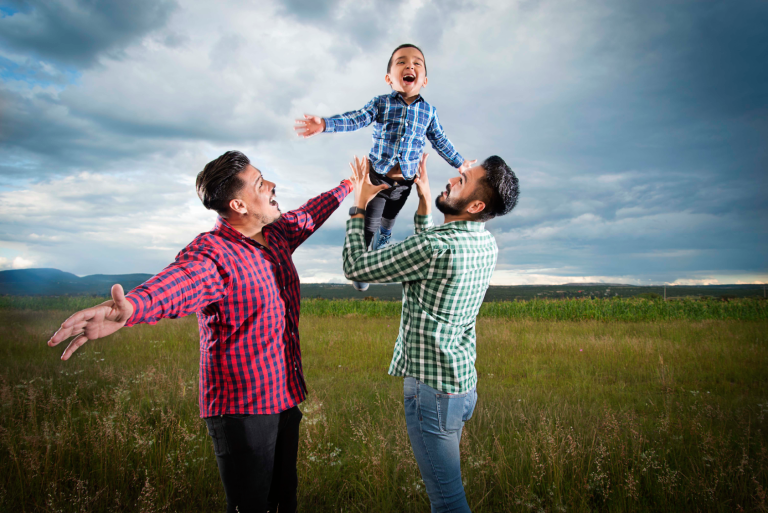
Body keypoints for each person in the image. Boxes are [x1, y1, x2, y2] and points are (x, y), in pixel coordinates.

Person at [47, 150, 353, 513]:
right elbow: (180, 283)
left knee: (284, 501)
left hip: (284, 398)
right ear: (238, 204)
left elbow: (310, 213)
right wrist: (131, 308)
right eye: (260, 182)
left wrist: (350, 185)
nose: (271, 185)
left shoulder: (277, 234)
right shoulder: (214, 254)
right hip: (244, 412)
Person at [343, 153, 520, 512]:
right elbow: (431, 258)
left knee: (448, 501)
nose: (453, 179)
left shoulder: (435, 247)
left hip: (432, 395)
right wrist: (425, 200)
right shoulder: (484, 244)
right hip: (461, 387)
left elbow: (356, 266)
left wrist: (360, 205)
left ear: (475, 204)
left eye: (463, 180)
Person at [295, 43, 476, 291]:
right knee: (370, 225)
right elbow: (357, 118)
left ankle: (383, 242)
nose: (409, 65)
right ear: (389, 78)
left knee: (389, 220)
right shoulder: (381, 103)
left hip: (405, 183)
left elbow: (440, 140)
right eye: (401, 62)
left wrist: (460, 162)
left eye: (416, 63)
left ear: (424, 80)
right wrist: (326, 124)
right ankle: (363, 263)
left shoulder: (429, 112)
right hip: (378, 179)